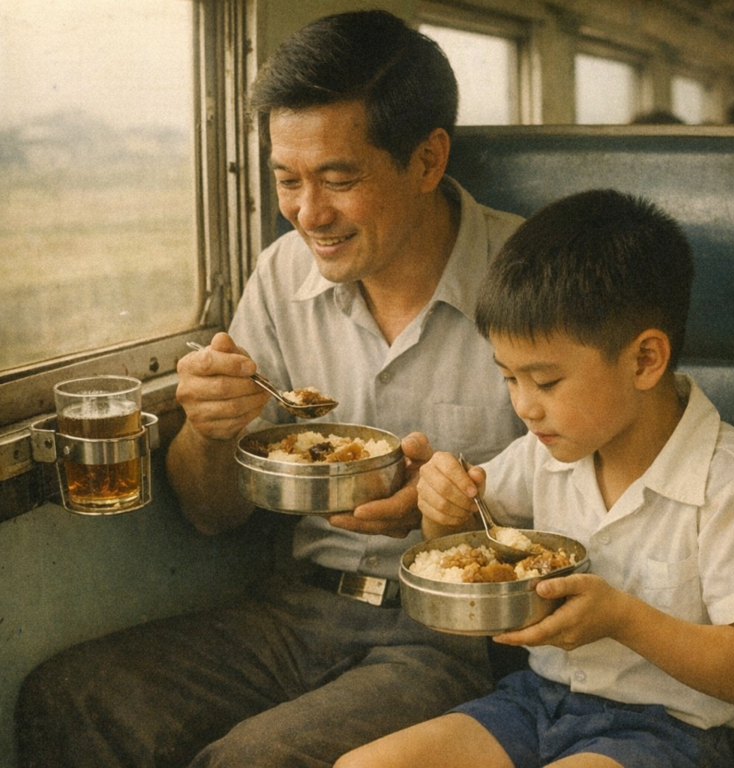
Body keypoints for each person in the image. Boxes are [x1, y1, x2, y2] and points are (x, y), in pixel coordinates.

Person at [14, 10, 526, 768]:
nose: (307, 214)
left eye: (338, 180)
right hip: (300, 606)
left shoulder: (533, 280)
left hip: (456, 634)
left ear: (426, 161)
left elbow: (606, 508)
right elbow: (214, 513)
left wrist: (452, 515)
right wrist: (211, 432)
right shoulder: (284, 273)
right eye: (287, 179)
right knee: (70, 697)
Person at [335, 189, 734, 768]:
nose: (524, 408)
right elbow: (457, 546)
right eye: (509, 379)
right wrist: (443, 510)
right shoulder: (542, 456)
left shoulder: (729, 481)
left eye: (545, 382)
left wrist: (621, 618)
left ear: (644, 360)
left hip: (672, 732)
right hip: (535, 704)